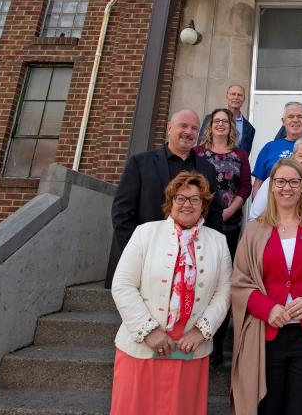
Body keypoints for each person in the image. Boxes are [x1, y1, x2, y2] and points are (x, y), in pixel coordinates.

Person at [230, 158, 302, 415]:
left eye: (295, 182)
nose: (287, 188)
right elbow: (240, 282)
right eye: (280, 181)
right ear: (271, 186)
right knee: (267, 408)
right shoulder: (254, 230)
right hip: (265, 335)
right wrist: (267, 308)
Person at [109, 171, 232, 415]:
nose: (187, 205)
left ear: (204, 205)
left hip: (190, 347)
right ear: (170, 202)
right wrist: (149, 331)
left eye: (195, 199)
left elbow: (224, 292)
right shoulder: (145, 233)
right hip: (143, 346)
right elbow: (122, 285)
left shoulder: (218, 241)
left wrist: (201, 331)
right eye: (181, 198)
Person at [106, 109, 220, 287]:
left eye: (194, 128)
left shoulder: (207, 169)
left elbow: (214, 215)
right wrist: (137, 253)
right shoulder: (140, 163)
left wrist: (207, 255)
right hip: (148, 261)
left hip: (192, 264)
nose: (189, 132)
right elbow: (122, 212)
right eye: (183, 126)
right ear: (169, 128)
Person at [194, 107, 252, 366]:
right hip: (199, 226)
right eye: (216, 121)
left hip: (229, 226)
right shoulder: (197, 153)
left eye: (225, 122)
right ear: (210, 125)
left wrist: (229, 211)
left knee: (221, 282)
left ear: (231, 127)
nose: (220, 125)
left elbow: (245, 187)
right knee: (199, 280)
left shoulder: (240, 154)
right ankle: (194, 337)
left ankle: (216, 345)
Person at [198, 84, 256, 154]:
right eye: (233, 94)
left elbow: (246, 155)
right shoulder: (210, 118)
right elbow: (200, 145)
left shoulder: (249, 128)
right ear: (227, 97)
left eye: (239, 95)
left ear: (244, 99)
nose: (236, 97)